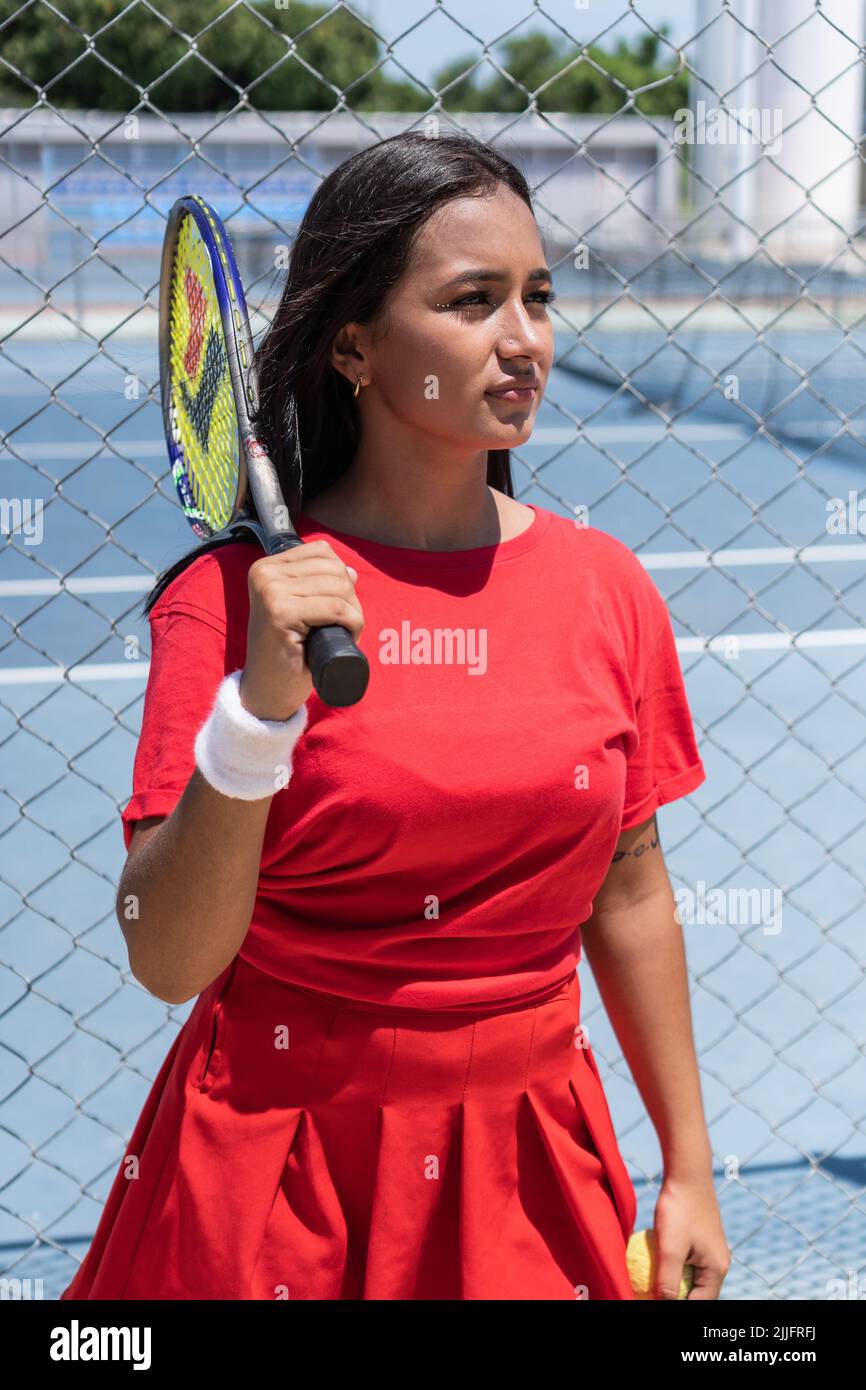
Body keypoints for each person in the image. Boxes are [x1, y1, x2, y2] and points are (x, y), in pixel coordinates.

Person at [60, 131, 730, 1301]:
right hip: (279, 1170)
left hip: (533, 1157)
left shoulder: (604, 586)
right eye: (472, 301)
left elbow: (629, 885)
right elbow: (167, 955)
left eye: (537, 296)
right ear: (357, 347)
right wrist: (258, 714)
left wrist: (688, 1166)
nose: (522, 340)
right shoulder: (227, 606)